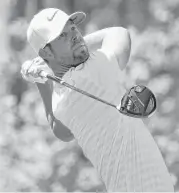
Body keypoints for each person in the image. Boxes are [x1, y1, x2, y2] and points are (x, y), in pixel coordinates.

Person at [21, 8, 174, 192]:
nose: (76, 36)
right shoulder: (93, 69)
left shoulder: (61, 101)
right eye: (62, 36)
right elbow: (118, 33)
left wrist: (41, 80)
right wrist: (43, 67)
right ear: (47, 53)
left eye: (72, 29)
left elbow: (61, 131)